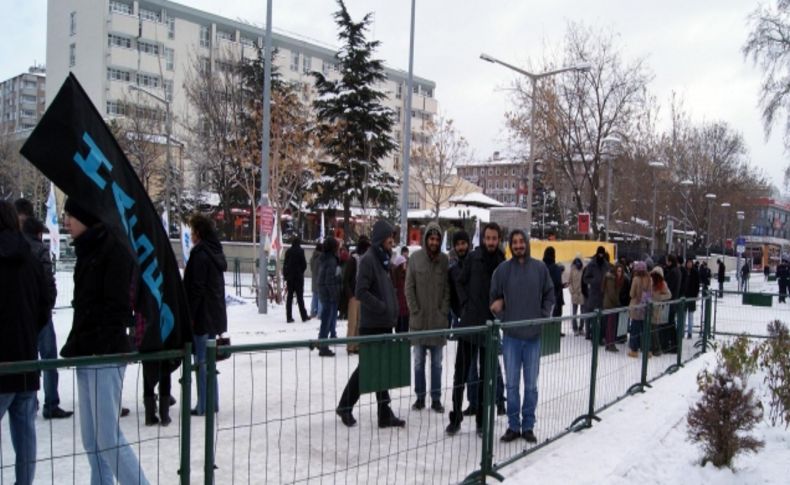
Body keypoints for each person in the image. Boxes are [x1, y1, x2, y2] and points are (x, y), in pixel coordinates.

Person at [60, 198, 149, 484]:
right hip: (87, 352)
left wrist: (101, 341)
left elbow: (116, 306)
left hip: (106, 352)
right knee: (92, 440)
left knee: (108, 439)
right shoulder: (88, 249)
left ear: (86, 216)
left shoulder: (114, 248)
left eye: (70, 216)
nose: (66, 222)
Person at [336, 219, 405, 429]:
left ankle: (384, 413)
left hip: (383, 323)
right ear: (379, 240)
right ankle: (345, 406)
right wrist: (383, 307)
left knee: (380, 369)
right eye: (388, 238)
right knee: (368, 368)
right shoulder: (368, 260)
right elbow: (361, 292)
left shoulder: (384, 261)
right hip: (372, 323)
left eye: (392, 238)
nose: (392, 242)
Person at [1, 200, 50, 485]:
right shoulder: (31, 258)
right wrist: (29, 332)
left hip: (4, 361)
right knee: (25, 434)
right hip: (26, 359)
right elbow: (45, 304)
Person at [490, 229, 555, 443]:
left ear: (526, 243)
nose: (518, 245)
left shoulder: (540, 268)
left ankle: (528, 425)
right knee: (511, 385)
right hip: (511, 338)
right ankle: (513, 425)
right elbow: (494, 298)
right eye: (514, 242)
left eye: (521, 242)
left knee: (531, 385)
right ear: (510, 245)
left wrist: (543, 315)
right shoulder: (502, 271)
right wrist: (502, 314)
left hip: (533, 337)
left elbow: (549, 294)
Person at [14, 199, 74, 420]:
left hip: (24, 315)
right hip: (38, 313)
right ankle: (48, 402)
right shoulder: (38, 249)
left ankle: (32, 401)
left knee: (32, 359)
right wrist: (46, 306)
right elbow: (48, 283)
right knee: (47, 359)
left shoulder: (16, 245)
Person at [446, 223, 505, 437]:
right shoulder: (473, 257)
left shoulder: (501, 262)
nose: (490, 242)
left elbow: (505, 292)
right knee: (460, 375)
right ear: (483, 239)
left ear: (498, 239)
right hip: (470, 324)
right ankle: (456, 418)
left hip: (489, 327)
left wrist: (501, 306)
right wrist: (464, 305)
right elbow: (459, 283)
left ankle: (481, 419)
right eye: (487, 238)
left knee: (484, 376)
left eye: (494, 238)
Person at [183, 213, 227, 417]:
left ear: (198, 233)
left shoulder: (200, 255)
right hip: (214, 315)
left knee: (202, 361)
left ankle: (204, 404)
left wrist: (189, 314)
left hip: (201, 316)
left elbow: (196, 289)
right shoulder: (214, 252)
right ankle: (212, 402)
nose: (191, 235)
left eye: (192, 232)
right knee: (209, 361)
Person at [405, 222, 450, 413]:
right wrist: (415, 310)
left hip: (437, 322)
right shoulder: (415, 259)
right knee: (418, 362)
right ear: (426, 239)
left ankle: (436, 398)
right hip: (419, 321)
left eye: (437, 239)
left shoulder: (444, 260)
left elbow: (447, 289)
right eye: (431, 239)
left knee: (437, 364)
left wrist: (443, 311)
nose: (434, 242)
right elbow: (409, 287)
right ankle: (420, 397)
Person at [343, 236, 370, 353]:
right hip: (354, 295)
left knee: (360, 322)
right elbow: (346, 279)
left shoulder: (366, 260)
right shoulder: (353, 259)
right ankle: (350, 346)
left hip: (362, 295)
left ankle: (358, 345)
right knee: (352, 322)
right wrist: (350, 295)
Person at [317, 236, 341, 356]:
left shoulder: (324, 259)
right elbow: (329, 280)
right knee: (327, 320)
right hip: (328, 294)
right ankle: (323, 345)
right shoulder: (331, 260)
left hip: (323, 291)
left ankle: (322, 340)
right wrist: (334, 294)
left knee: (325, 319)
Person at [582, 246, 611, 340]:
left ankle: (601, 336)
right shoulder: (591, 264)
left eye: (602, 254)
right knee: (593, 317)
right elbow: (585, 278)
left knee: (602, 318)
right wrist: (593, 280)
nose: (601, 255)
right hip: (594, 294)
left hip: (603, 295)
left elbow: (609, 276)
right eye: (599, 254)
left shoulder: (606, 265)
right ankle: (593, 336)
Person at [602, 264, 630, 352]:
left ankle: (610, 343)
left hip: (613, 304)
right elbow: (611, 293)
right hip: (610, 304)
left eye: (621, 271)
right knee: (611, 325)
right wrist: (618, 303)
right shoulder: (611, 279)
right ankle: (610, 344)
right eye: (618, 271)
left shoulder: (617, 279)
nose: (620, 273)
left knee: (612, 325)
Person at [627, 261, 652, 358]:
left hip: (636, 307)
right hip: (646, 307)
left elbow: (631, 294)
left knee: (635, 330)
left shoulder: (636, 279)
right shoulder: (649, 279)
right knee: (645, 329)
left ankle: (634, 350)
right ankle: (647, 350)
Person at [283, 236, 310, 323]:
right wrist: (300, 271)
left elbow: (285, 265)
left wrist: (286, 275)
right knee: (300, 297)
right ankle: (304, 316)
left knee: (289, 297)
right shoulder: (301, 251)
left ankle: (289, 316)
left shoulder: (288, 252)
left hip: (290, 278)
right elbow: (304, 265)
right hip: (298, 277)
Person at [648, 266, 672, 356]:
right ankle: (651, 347)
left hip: (656, 309)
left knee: (654, 329)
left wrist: (659, 298)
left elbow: (669, 295)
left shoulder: (663, 284)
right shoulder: (649, 281)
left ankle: (657, 348)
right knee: (650, 329)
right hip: (649, 307)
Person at [542, 246, 566, 335]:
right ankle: (555, 332)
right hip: (556, 296)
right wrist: (562, 286)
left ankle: (545, 332)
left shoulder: (541, 266)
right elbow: (557, 283)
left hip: (542, 296)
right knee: (557, 314)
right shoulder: (556, 268)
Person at [662, 255, 682, 353]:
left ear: (670, 261)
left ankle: (670, 345)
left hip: (669, 301)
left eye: (667, 261)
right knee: (671, 324)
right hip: (674, 300)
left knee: (668, 324)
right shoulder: (677, 271)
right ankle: (674, 345)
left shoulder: (673, 272)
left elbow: (667, 285)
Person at [681, 258, 701, 339]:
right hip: (684, 296)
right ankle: (682, 332)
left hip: (692, 296)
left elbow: (697, 284)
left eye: (690, 263)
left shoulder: (695, 272)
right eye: (688, 263)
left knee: (690, 315)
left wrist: (696, 295)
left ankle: (690, 332)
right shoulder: (684, 272)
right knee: (683, 315)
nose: (689, 264)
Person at [391, 254, 409, 333]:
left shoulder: (406, 276)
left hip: (406, 307)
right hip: (399, 307)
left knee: (404, 328)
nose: (406, 264)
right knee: (399, 328)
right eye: (404, 263)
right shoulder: (396, 278)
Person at [569, 256, 585, 336]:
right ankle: (575, 329)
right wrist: (572, 291)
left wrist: (584, 291)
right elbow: (570, 282)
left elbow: (585, 282)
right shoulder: (572, 270)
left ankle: (581, 328)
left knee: (583, 313)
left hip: (582, 294)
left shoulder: (583, 270)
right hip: (575, 294)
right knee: (574, 313)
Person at [309, 242, 323, 318]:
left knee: (314, 297)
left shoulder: (312, 258)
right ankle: (320, 314)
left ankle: (313, 312)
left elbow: (311, 268)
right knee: (320, 298)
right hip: (320, 280)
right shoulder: (321, 258)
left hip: (314, 279)